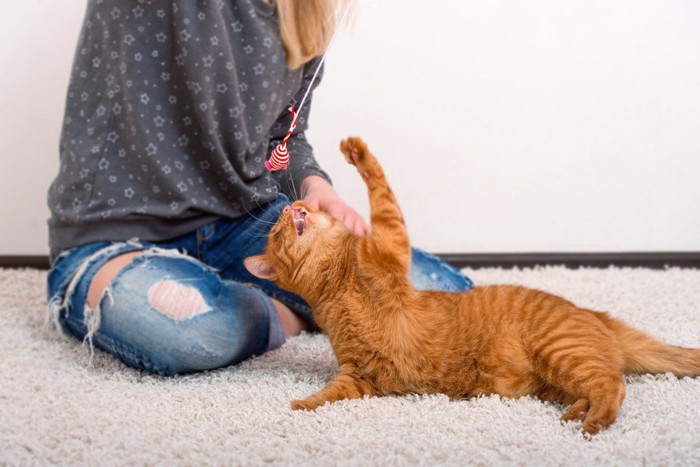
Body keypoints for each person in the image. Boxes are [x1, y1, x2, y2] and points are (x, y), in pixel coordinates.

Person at [46, 0, 473, 376]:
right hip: (114, 237)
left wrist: (316, 186)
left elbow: (281, 141)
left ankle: (303, 299)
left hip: (244, 222)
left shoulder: (304, 11)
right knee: (195, 327)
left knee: (444, 301)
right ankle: (294, 314)